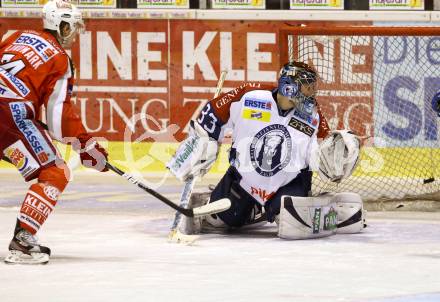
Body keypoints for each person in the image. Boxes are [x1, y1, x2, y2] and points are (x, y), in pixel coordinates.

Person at [168, 61, 362, 240]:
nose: (312, 92)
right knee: (222, 221)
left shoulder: (312, 113)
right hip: (243, 180)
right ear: (289, 85)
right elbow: (213, 112)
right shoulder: (249, 96)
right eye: (307, 86)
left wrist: (333, 157)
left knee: (293, 224)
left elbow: (323, 145)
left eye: (313, 87)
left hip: (289, 183)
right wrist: (203, 141)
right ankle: (253, 208)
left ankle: (325, 209)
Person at [0, 0, 108, 264]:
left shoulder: (16, 36)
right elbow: (59, 123)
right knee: (55, 171)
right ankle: (23, 242)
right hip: (9, 116)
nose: (75, 33)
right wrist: (87, 146)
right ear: (62, 25)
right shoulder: (60, 59)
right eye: (73, 27)